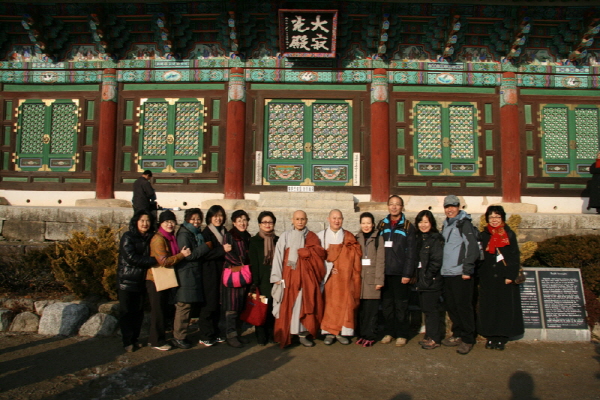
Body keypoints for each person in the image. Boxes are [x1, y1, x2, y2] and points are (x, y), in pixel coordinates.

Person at [271, 210, 326, 348]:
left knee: (304, 304)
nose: (300, 221)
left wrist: (308, 253)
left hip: (307, 279)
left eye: (302, 219)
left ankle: (302, 334)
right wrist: (277, 276)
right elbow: (278, 256)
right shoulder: (285, 236)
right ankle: (288, 333)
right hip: (289, 277)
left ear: (306, 220)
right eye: (297, 219)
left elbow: (320, 256)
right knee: (288, 305)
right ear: (292, 220)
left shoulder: (312, 237)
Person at [478, 205, 524, 350]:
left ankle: (502, 337)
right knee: (489, 307)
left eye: (497, 217)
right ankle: (490, 336)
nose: (494, 220)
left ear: (502, 218)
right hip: (488, 277)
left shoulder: (508, 234)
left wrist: (510, 275)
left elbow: (514, 256)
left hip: (504, 277)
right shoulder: (483, 235)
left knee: (503, 308)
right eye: (491, 217)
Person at [440, 194, 480, 355]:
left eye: (453, 206)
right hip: (447, 272)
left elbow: (472, 248)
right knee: (452, 306)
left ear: (459, 207)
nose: (450, 209)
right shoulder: (446, 224)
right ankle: (457, 334)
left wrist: (467, 269)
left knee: (464, 307)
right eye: (447, 206)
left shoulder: (465, 224)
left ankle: (468, 338)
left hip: (460, 273)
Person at [147, 210, 191, 351]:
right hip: (155, 279)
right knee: (158, 310)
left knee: (163, 309)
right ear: (161, 223)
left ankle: (159, 338)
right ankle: (156, 341)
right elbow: (163, 261)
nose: (170, 224)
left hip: (165, 279)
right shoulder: (158, 239)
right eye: (167, 221)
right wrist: (181, 255)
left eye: (172, 221)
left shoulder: (170, 237)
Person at [317, 209, 362, 345]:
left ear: (343, 220)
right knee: (328, 304)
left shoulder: (348, 237)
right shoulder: (320, 236)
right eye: (334, 218)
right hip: (328, 277)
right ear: (328, 219)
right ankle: (328, 332)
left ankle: (343, 332)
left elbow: (354, 257)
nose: (337, 221)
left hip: (345, 277)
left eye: (339, 218)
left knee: (345, 302)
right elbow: (317, 258)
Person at [378, 195, 417, 347]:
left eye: (397, 204)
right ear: (387, 206)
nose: (394, 207)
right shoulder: (382, 225)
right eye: (391, 204)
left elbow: (411, 253)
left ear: (402, 207)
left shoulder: (408, 227)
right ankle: (389, 332)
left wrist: (408, 273)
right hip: (385, 272)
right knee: (387, 305)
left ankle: (402, 334)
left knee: (401, 305)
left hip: (401, 273)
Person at [172, 208, 213, 349]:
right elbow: (189, 255)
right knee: (184, 305)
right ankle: (178, 337)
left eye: (198, 219)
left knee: (188, 305)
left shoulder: (194, 233)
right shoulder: (184, 234)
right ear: (187, 219)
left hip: (192, 273)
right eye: (193, 219)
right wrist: (205, 247)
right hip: (186, 274)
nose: (196, 222)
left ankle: (181, 335)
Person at [117, 210, 157, 352]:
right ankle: (127, 341)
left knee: (138, 311)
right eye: (142, 220)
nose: (145, 223)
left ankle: (135, 338)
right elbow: (131, 257)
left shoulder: (150, 237)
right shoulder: (128, 237)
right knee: (127, 311)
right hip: (127, 280)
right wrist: (153, 261)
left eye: (147, 221)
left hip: (141, 280)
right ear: (136, 222)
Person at [200, 205, 232, 346]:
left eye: (220, 215)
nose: (218, 218)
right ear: (210, 218)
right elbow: (204, 254)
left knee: (219, 302)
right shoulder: (205, 233)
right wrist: (222, 250)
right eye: (215, 216)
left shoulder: (225, 231)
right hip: (210, 271)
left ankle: (216, 331)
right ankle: (205, 334)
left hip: (222, 271)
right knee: (210, 303)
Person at [414, 210, 445, 350]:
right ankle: (429, 335)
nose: (423, 225)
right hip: (421, 279)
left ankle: (434, 338)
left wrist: (427, 276)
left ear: (431, 223)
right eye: (420, 222)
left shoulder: (436, 238)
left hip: (431, 280)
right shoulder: (418, 238)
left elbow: (436, 261)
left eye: (426, 222)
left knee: (432, 310)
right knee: (426, 309)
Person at [222, 210, 252, 348]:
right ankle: (231, 335)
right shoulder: (229, 236)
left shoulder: (248, 236)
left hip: (245, 274)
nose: (242, 223)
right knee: (232, 306)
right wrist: (242, 265)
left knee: (241, 306)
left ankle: (238, 333)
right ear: (234, 222)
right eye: (239, 220)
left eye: (245, 220)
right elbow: (227, 254)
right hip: (234, 274)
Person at [355, 212, 385, 348]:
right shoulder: (357, 238)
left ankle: (370, 335)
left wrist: (379, 280)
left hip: (372, 279)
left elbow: (381, 261)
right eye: (363, 223)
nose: (366, 226)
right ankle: (361, 334)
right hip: (360, 279)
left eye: (368, 223)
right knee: (361, 310)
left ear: (373, 224)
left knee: (371, 310)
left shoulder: (378, 238)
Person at [249, 211, 279, 346]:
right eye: (265, 222)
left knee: (273, 309)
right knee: (261, 308)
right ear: (260, 224)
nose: (268, 225)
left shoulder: (277, 240)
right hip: (261, 280)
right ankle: (261, 335)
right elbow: (254, 262)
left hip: (275, 279)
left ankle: (272, 334)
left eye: (270, 222)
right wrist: (255, 282)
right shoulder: (254, 241)